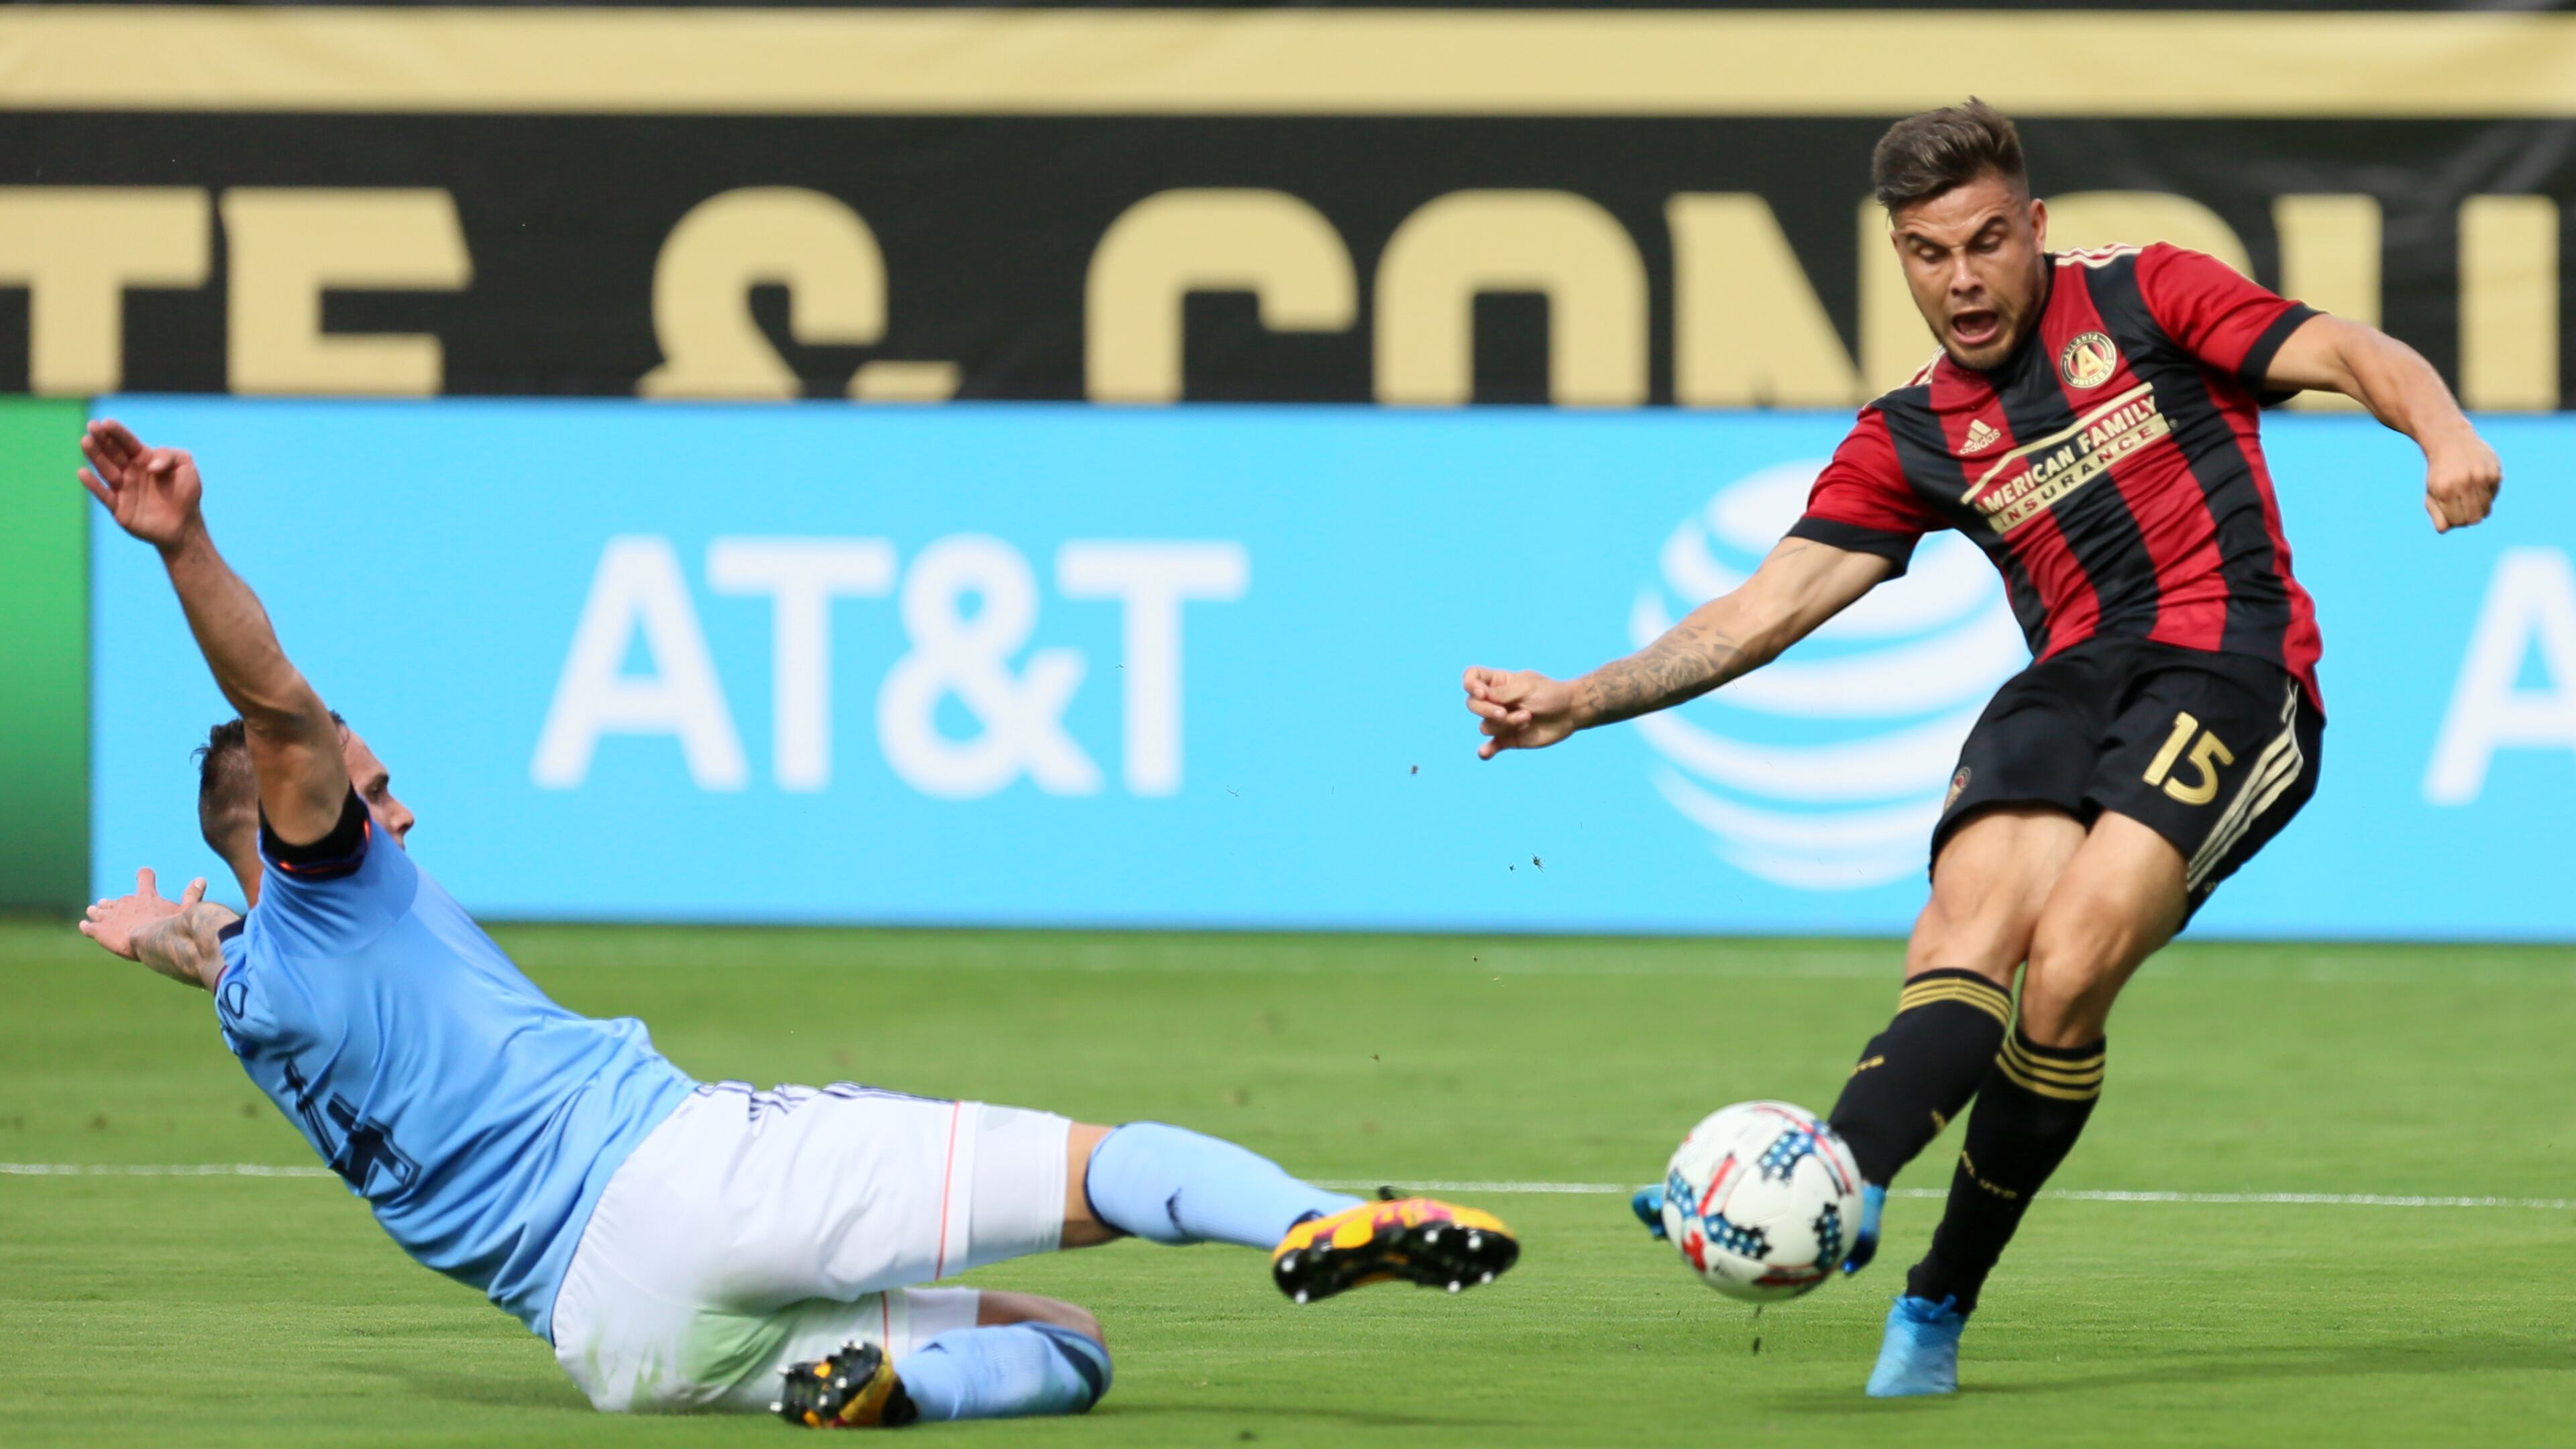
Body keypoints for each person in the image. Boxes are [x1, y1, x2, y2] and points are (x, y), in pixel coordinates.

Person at [74, 417, 1517, 1428]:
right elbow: (276, 705)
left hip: (616, 1339)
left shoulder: (260, 995)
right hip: (685, 1178)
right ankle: (1327, 1217)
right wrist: (184, 544)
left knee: (1070, 1352)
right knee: (1119, 1167)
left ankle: (887, 1393)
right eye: (365, 788)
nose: (396, 817)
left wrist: (156, 935)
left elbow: (215, 951)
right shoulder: (331, 877)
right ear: (287, 816)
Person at [1460, 100, 2498, 1397]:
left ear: (2036, 230)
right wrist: (1581, 698)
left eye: (1986, 242)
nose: (1961, 277)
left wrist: (2442, 429)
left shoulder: (2147, 296)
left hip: (2235, 672)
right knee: (1965, 932)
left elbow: (2347, 348)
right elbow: (1759, 612)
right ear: (1898, 254)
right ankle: (1832, 1176)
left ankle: (1937, 1295)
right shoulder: (1911, 431)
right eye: (1927, 252)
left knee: (2066, 970)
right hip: (2066, 683)